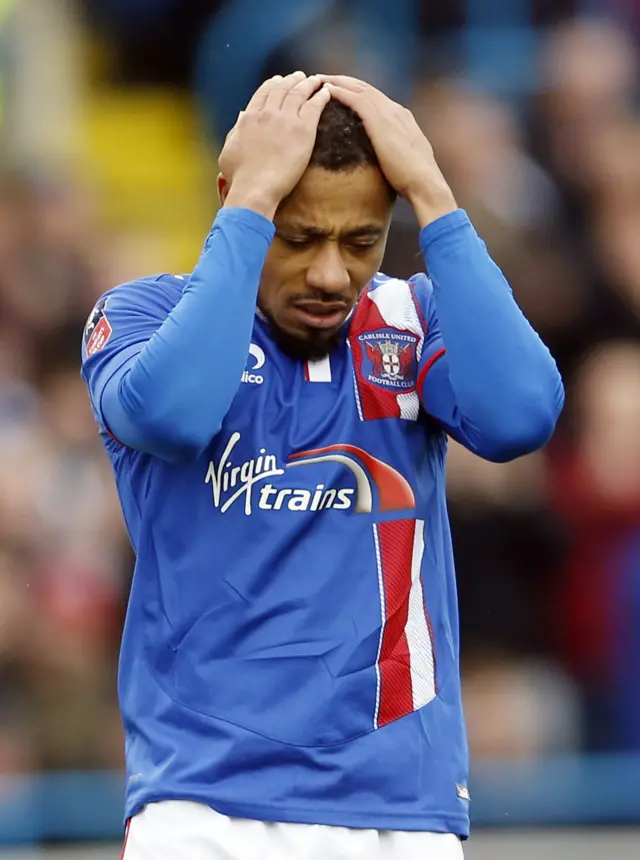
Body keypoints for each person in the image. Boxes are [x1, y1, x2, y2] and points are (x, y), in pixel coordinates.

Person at [81, 72, 564, 859]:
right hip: (205, 807)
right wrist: (247, 207)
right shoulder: (142, 316)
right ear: (240, 202)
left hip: (399, 812)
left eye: (360, 241)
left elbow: (522, 416)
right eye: (297, 236)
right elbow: (172, 413)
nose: (332, 274)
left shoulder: (412, 323)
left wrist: (436, 198)